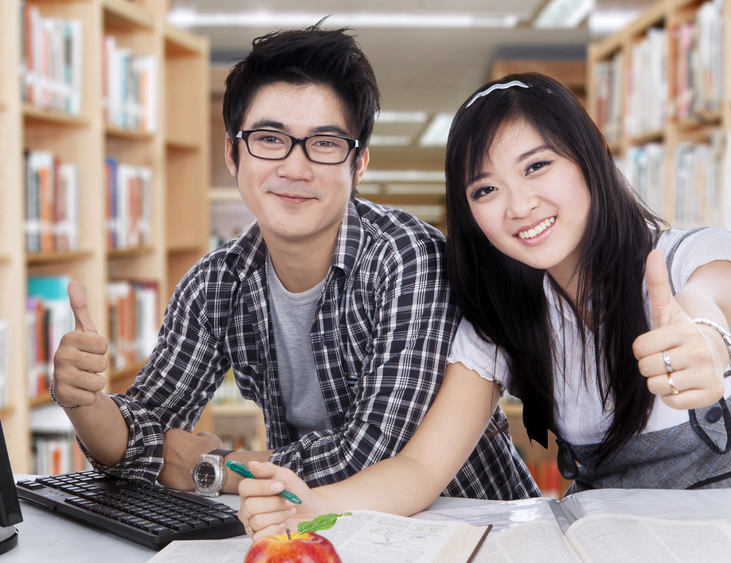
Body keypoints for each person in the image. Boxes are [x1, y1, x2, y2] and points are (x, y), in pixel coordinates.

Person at [238, 72, 731, 539]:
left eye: (536, 166)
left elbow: (715, 301)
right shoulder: (502, 322)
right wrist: (308, 508)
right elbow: (422, 467)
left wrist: (703, 337)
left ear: (591, 154)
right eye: (485, 190)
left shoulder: (688, 258)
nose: (520, 206)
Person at [49, 25, 538, 501]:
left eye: (325, 143)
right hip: (322, 532)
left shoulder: (408, 259)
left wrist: (211, 469)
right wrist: (84, 403)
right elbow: (140, 438)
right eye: (269, 138)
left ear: (359, 163)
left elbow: (368, 455)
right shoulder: (216, 283)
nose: (295, 168)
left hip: (472, 529)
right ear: (233, 153)